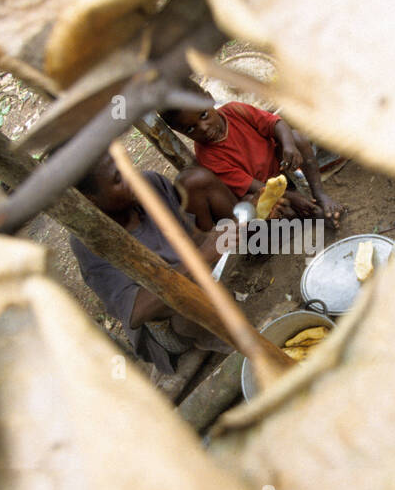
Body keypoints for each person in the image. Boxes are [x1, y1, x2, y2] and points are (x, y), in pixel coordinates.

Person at [69, 153, 228, 374]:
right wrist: (201, 259)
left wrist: (217, 238)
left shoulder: (150, 184)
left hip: (193, 276)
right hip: (168, 325)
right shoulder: (90, 242)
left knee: (198, 181)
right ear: (91, 201)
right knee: (189, 295)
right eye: (118, 179)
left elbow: (193, 237)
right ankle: (224, 343)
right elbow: (137, 312)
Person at [159, 100, 346, 229]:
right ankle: (311, 214)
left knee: (296, 138)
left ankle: (319, 195)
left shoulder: (235, 111)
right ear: (179, 131)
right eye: (190, 129)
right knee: (285, 211)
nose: (204, 128)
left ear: (208, 99)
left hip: (279, 166)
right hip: (260, 192)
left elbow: (276, 124)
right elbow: (253, 187)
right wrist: (291, 197)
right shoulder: (208, 156)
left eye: (204, 115)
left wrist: (288, 146)